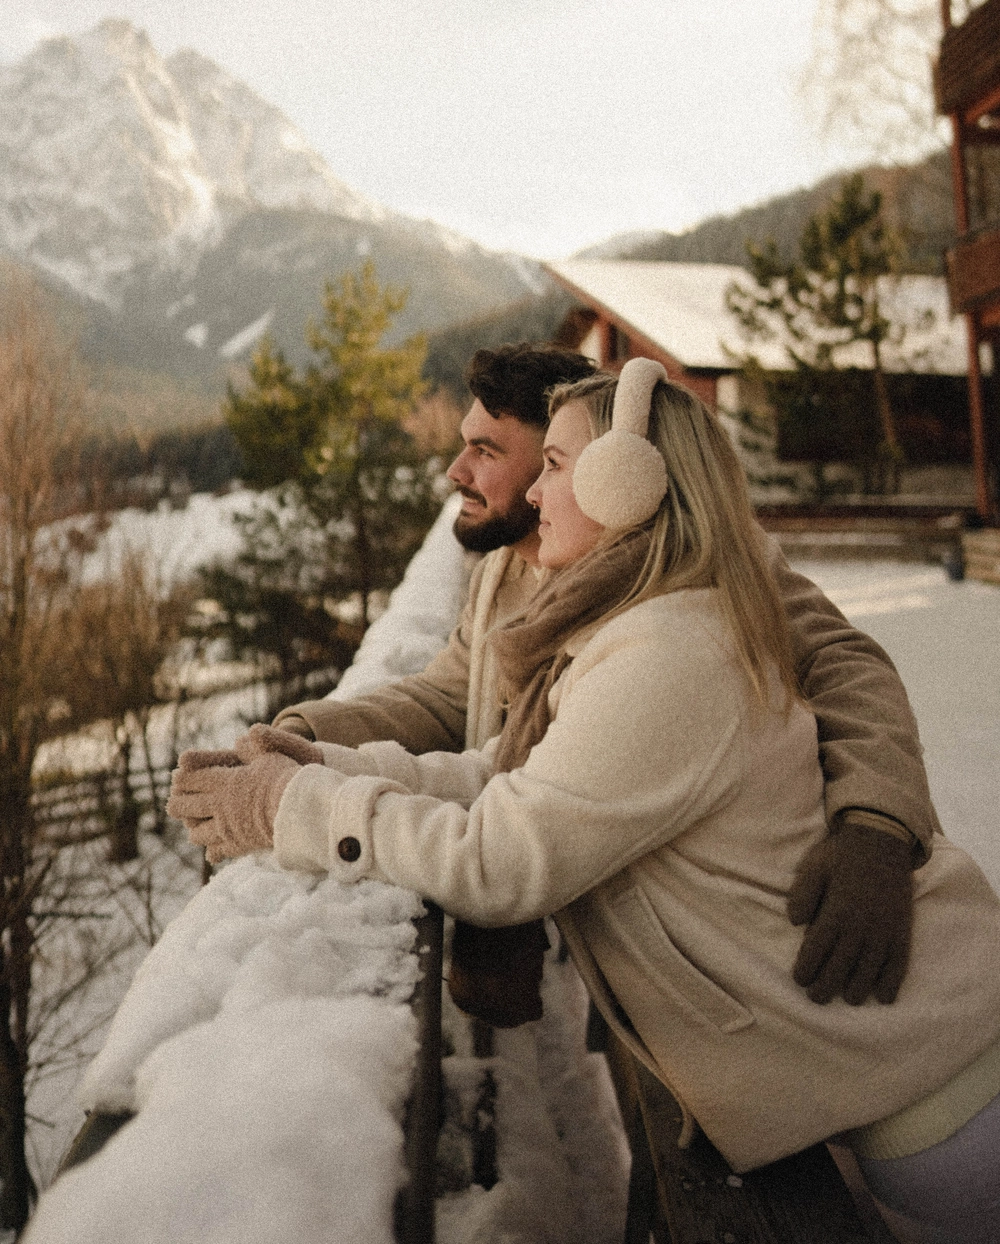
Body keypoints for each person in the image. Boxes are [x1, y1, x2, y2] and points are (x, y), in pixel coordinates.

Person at [171, 362, 1000, 1241]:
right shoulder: (615, 610)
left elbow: (499, 858)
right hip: (865, 1060)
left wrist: (876, 823)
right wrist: (319, 757)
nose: (524, 490)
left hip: (931, 1081)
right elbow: (500, 762)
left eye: (544, 462)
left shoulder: (674, 641)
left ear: (626, 478)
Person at [274, 344, 936, 1003]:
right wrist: (307, 730)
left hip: (757, 951)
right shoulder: (501, 574)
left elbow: (848, 665)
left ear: (605, 467)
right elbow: (451, 694)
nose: (456, 472)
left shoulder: (709, 568)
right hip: (626, 931)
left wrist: (874, 824)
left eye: (488, 452)